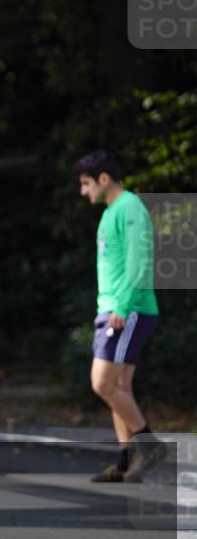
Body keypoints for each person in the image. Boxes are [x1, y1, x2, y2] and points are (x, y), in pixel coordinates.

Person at [75, 151, 167, 483]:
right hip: (116, 310)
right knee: (119, 386)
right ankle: (126, 463)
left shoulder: (129, 208)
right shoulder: (112, 211)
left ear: (103, 178)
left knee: (102, 383)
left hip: (128, 310)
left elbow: (140, 262)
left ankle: (151, 446)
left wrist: (122, 308)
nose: (83, 192)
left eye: (86, 184)